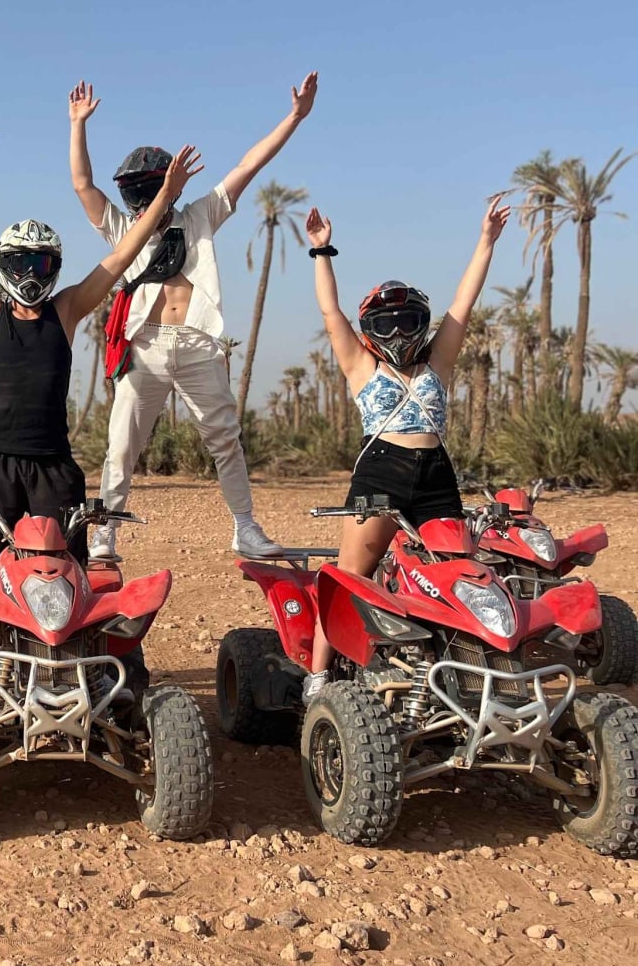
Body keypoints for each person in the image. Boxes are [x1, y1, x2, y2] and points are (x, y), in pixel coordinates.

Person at [0, 142, 201, 588]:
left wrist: (166, 195)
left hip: (54, 464)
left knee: (69, 571)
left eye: (41, 262)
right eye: (21, 262)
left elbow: (122, 254)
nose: (31, 273)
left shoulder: (66, 309)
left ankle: (76, 657)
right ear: (4, 265)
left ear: (55, 267)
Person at [68, 74, 320, 560]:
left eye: (153, 189)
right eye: (138, 192)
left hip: (199, 344)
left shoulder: (200, 215)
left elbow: (250, 163)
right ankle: (106, 533)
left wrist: (295, 116)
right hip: (146, 346)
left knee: (225, 439)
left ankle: (245, 527)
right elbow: (82, 184)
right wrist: (78, 124)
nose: (144, 200)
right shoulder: (124, 229)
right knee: (121, 445)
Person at [300, 195, 511, 701]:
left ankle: (457, 673)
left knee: (455, 573)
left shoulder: (439, 360)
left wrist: (486, 241)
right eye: (385, 324)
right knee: (351, 576)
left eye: (407, 321)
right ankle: (319, 678)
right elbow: (330, 311)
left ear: (422, 323)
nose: (397, 332)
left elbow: (465, 301)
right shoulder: (360, 366)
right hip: (381, 472)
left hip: (438, 474)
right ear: (370, 331)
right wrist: (321, 252)